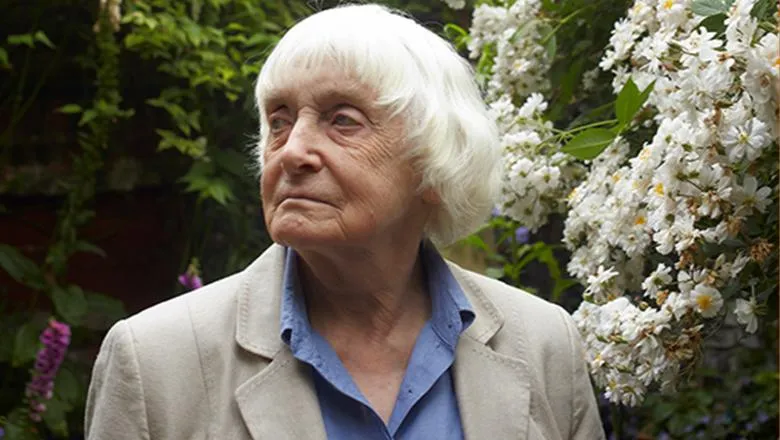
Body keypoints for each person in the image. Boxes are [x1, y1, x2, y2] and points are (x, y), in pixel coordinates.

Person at [84, 4, 605, 439]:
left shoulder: (542, 342)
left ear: (434, 164)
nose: (293, 151)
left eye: (342, 120)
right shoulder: (154, 362)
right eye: (279, 121)